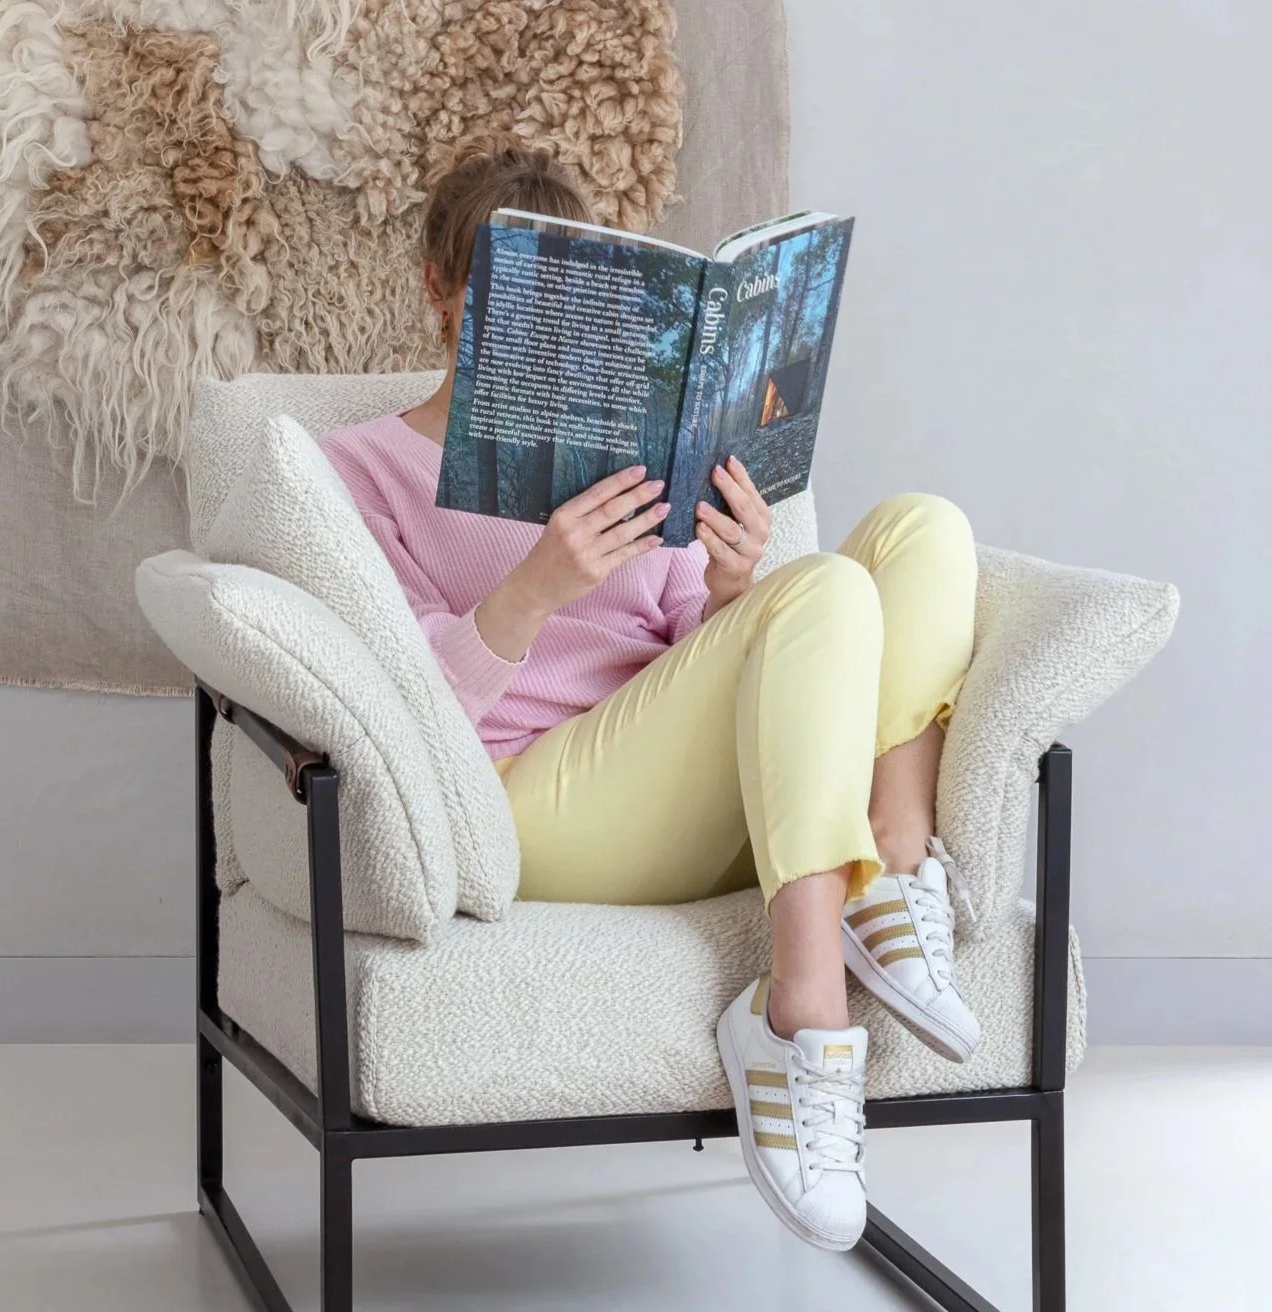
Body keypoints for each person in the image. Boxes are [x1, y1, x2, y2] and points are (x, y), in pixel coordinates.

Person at [319, 147, 980, 1253]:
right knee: (822, 589)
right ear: (438, 287)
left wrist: (727, 586)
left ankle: (892, 863)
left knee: (922, 529)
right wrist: (533, 589)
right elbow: (393, 714)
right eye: (508, 297)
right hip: (535, 801)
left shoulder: (633, 454)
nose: (542, 334)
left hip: (691, 789)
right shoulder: (358, 469)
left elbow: (706, 662)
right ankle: (800, 1016)